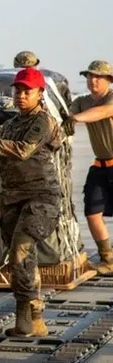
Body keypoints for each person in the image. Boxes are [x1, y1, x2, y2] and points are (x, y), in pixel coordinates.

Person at [0, 68, 63, 337]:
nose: (21, 96)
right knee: (22, 257)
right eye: (17, 90)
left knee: (21, 250)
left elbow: (22, 151)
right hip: (12, 200)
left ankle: (24, 317)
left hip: (41, 198)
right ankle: (36, 317)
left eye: (27, 91)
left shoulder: (42, 122)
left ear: (39, 94)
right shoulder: (11, 124)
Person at [64, 61, 113, 275]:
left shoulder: (110, 99)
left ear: (109, 81)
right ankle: (107, 258)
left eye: (98, 77)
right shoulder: (82, 102)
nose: (92, 80)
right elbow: (64, 114)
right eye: (89, 76)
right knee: (92, 212)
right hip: (99, 166)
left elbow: (102, 112)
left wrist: (75, 119)